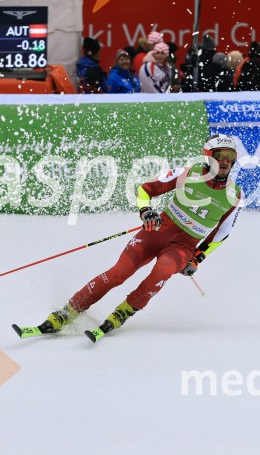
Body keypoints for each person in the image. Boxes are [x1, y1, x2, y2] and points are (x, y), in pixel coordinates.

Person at [14, 134, 244, 343]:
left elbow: (222, 232)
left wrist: (197, 259)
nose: (224, 161)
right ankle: (65, 313)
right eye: (219, 155)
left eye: (230, 156)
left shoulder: (234, 194)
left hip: (184, 246)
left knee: (163, 270)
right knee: (118, 273)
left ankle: (123, 312)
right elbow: (145, 189)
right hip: (158, 230)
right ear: (208, 156)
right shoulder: (187, 173)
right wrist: (146, 211)